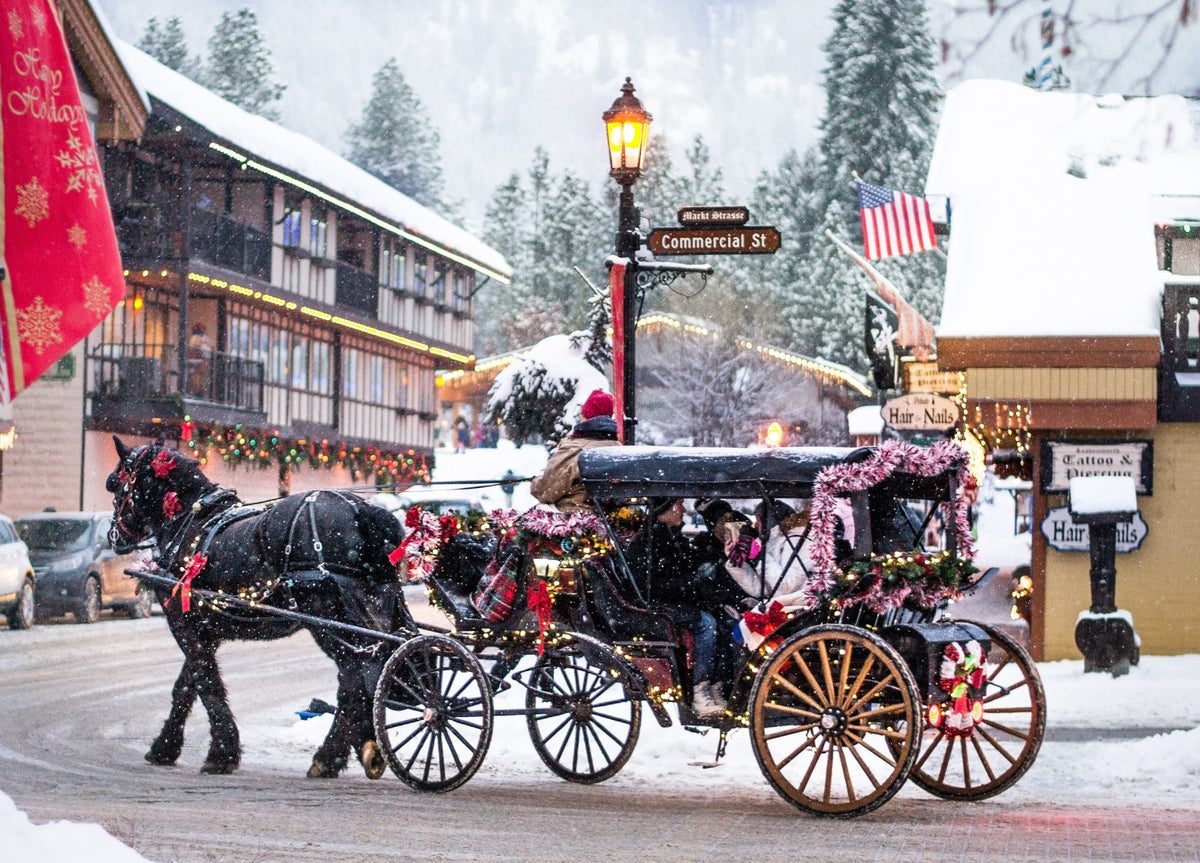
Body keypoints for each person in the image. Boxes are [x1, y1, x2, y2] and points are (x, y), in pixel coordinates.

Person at [626, 497, 726, 718]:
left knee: (721, 614)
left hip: (672, 600)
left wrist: (713, 553)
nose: (683, 510)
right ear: (666, 511)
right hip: (655, 607)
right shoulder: (649, 543)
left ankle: (717, 684)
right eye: (679, 505)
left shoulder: (670, 537)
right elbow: (653, 587)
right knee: (706, 624)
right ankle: (700, 690)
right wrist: (692, 581)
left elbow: (687, 561)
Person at [530, 389, 620, 513]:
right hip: (611, 517)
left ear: (585, 416)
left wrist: (535, 482)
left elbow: (545, 492)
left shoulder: (575, 450)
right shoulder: (618, 448)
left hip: (573, 517)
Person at [723, 500, 815, 610]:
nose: (755, 525)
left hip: (798, 608)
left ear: (769, 521)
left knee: (742, 626)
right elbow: (762, 589)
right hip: (781, 606)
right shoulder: (776, 541)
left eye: (758, 520)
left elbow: (788, 586)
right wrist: (736, 560)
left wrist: (760, 556)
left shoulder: (797, 540)